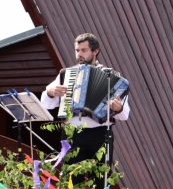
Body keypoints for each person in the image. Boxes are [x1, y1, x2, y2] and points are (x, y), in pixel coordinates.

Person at [40, 33, 129, 168]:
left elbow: (124, 115)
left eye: (83, 50)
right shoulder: (66, 74)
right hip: (72, 134)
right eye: (77, 50)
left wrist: (118, 108)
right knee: (71, 182)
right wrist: (51, 92)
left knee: (99, 182)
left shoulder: (112, 77)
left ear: (95, 51)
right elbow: (45, 103)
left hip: (100, 135)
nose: (79, 54)